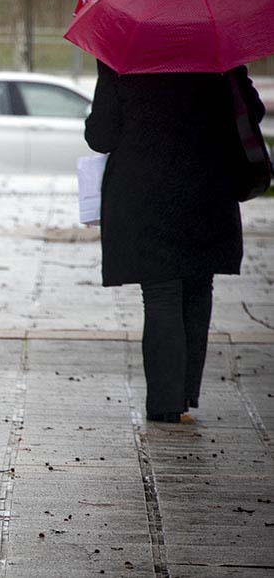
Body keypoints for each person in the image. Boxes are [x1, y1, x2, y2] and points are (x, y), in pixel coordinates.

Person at [85, 60, 262, 423]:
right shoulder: (217, 51)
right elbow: (252, 111)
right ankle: (183, 395)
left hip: (145, 191)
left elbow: (101, 135)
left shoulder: (124, 57)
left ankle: (166, 403)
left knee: (161, 293)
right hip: (208, 187)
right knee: (198, 286)